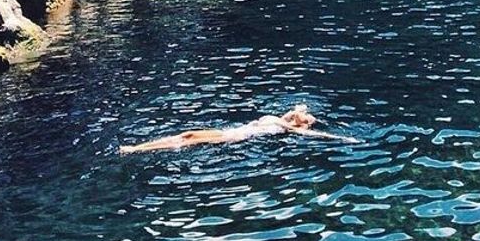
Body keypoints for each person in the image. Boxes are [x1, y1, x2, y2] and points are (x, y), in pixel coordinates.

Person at [119, 104, 356, 154]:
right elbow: (292, 112)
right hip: (229, 131)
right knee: (186, 134)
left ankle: (135, 150)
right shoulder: (280, 119)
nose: (300, 114)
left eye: (304, 116)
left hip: (233, 138)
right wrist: (298, 109)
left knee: (187, 139)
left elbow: (314, 133)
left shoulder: (288, 128)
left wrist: (343, 139)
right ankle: (136, 147)